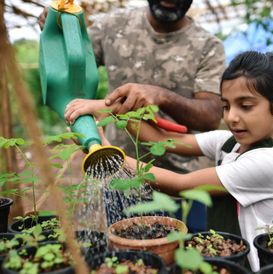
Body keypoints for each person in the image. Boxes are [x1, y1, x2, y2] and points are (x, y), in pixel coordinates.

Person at [94, 51, 273, 271]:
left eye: (245, 106)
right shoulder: (229, 142)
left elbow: (181, 185)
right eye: (226, 106)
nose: (231, 117)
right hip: (221, 259)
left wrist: (106, 153)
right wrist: (118, 112)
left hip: (245, 268)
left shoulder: (270, 161)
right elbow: (163, 140)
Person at [39, 0, 225, 229]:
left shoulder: (207, 46)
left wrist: (162, 96)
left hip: (184, 188)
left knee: (185, 256)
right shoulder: (113, 26)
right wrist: (58, 32)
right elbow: (76, 64)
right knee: (128, 257)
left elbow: (211, 115)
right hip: (121, 179)